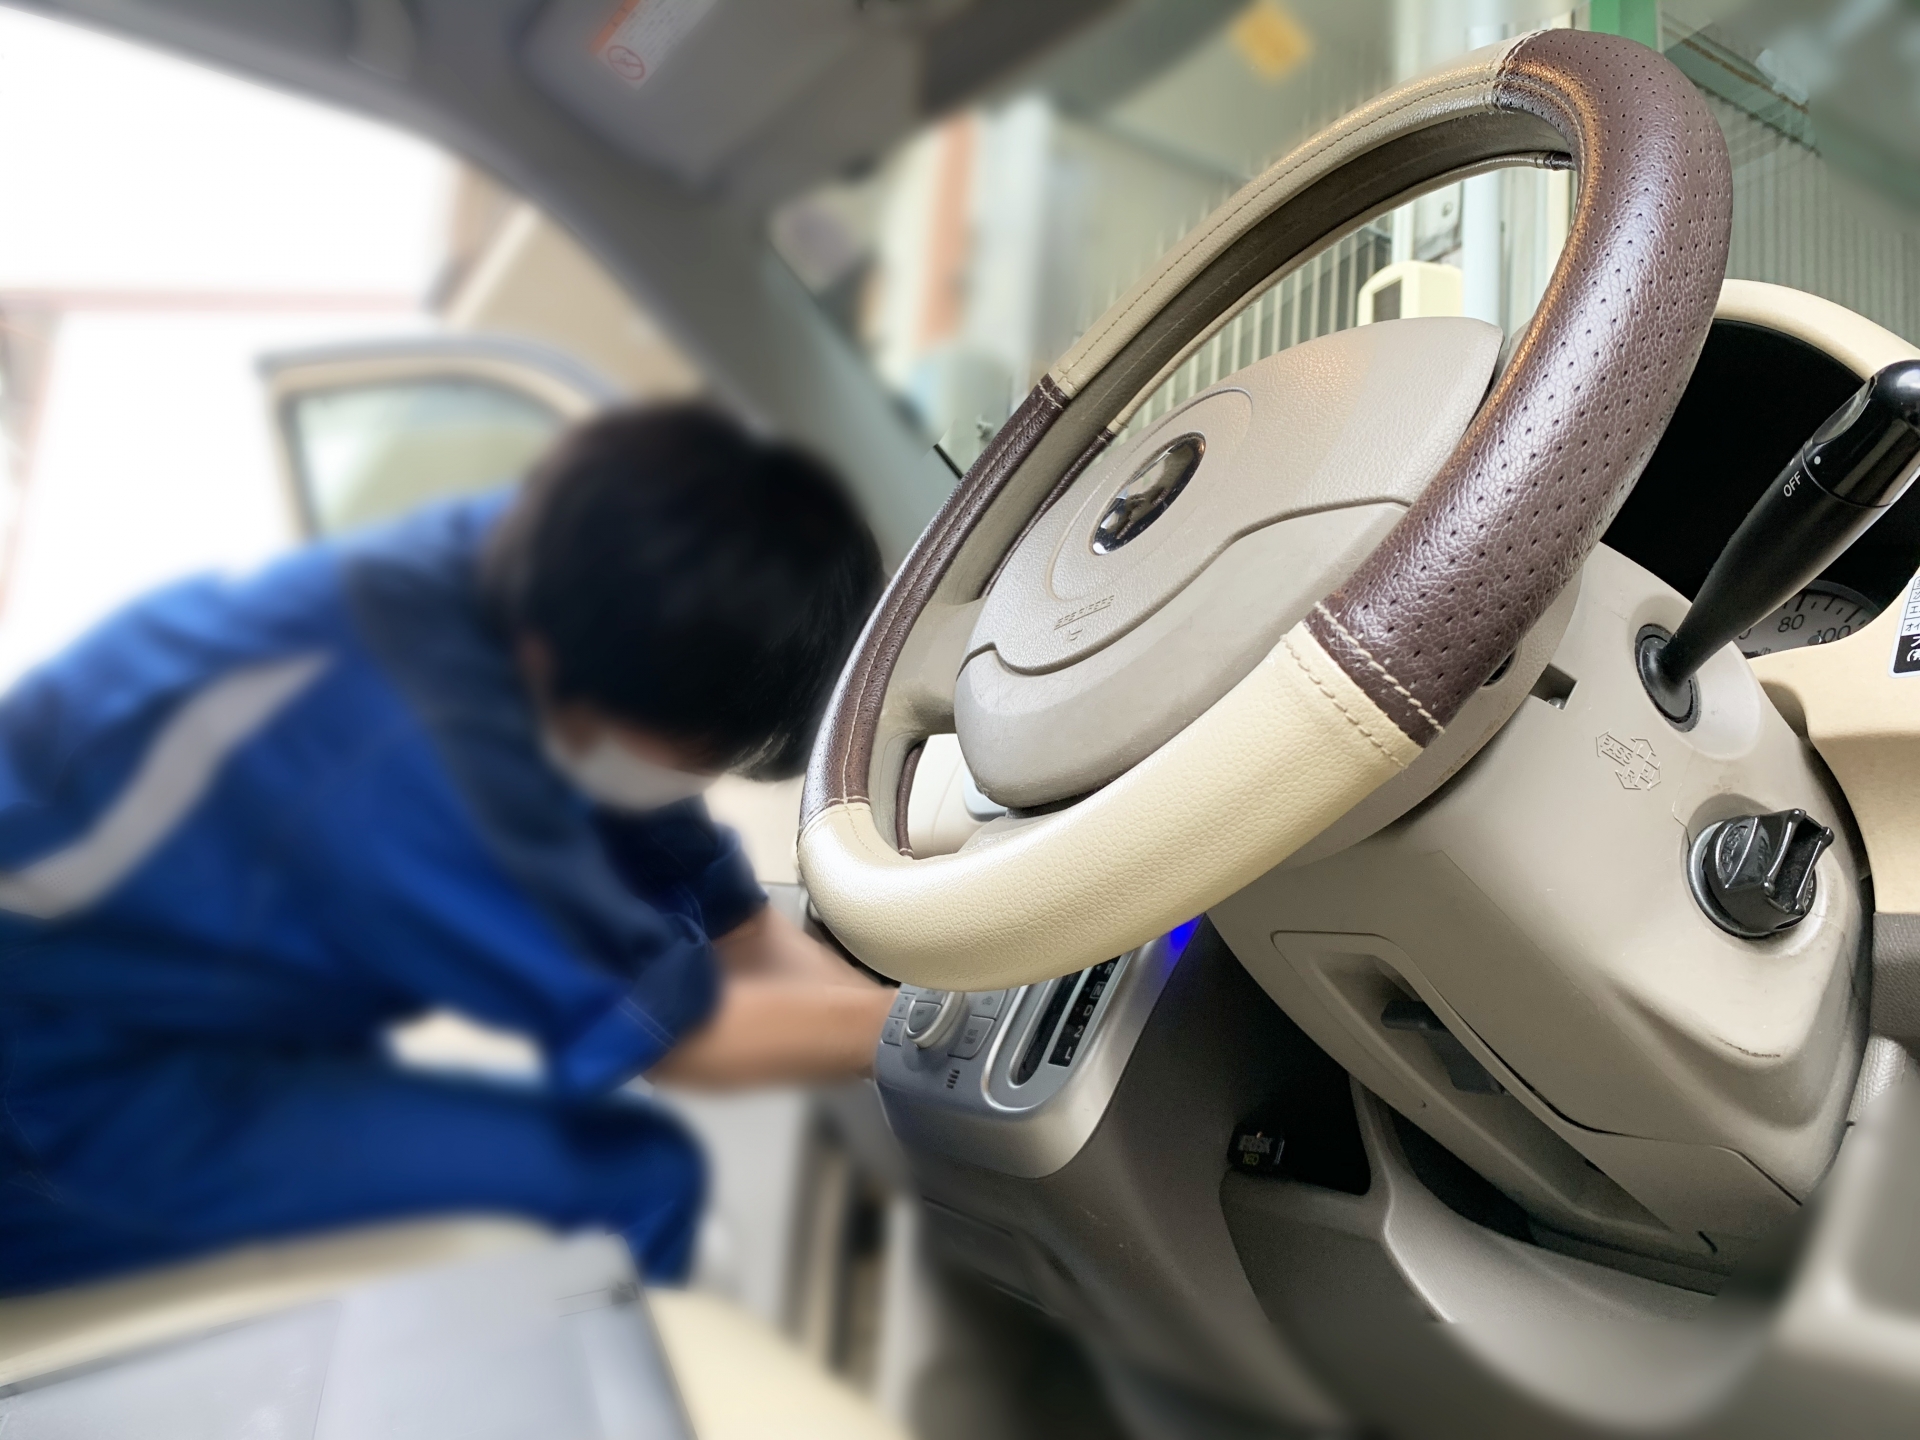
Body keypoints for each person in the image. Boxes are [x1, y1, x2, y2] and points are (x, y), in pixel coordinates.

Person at [0, 403, 892, 1292]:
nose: (705, 782)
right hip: (59, 1102)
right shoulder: (400, 736)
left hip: (184, 1016)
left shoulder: (570, 590)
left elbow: (733, 927)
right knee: (632, 1180)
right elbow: (676, 1031)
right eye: (704, 755)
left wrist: (913, 1013)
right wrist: (916, 1035)